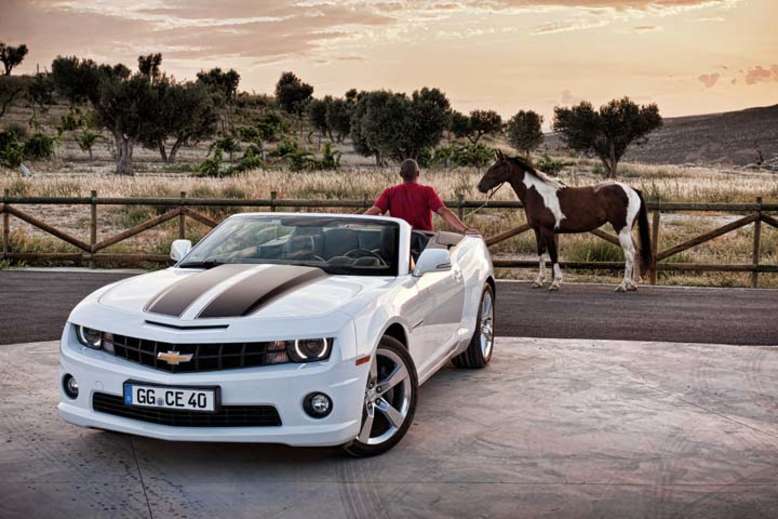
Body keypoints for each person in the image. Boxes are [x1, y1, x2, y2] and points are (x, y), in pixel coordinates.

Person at [365, 159, 477, 234]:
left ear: (401, 175)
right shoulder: (427, 191)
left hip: (399, 241)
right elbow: (443, 211)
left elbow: (374, 211)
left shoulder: (390, 192)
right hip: (424, 239)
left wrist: (350, 222)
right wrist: (465, 229)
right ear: (418, 173)